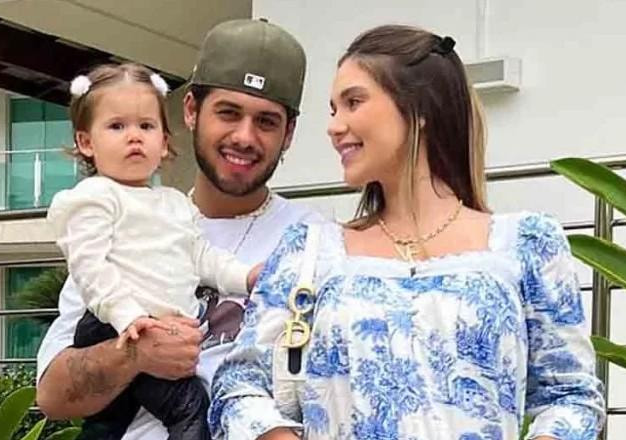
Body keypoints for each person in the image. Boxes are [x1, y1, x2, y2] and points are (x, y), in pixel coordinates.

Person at [210, 24, 605, 440]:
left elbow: (572, 396)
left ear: (419, 109)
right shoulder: (308, 250)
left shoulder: (526, 245)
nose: (334, 126)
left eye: (353, 102)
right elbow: (238, 386)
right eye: (333, 109)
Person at [36, 18, 323, 439]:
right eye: (228, 112)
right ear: (191, 110)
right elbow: (54, 397)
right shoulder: (119, 227)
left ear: (289, 133)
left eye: (266, 121)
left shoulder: (314, 241)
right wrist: (135, 355)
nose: (244, 137)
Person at [46, 62, 264, 440]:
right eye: (117, 126)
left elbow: (201, 257)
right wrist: (129, 319)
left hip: (153, 326)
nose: (134, 137)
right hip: (115, 325)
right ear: (86, 142)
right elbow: (90, 268)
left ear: (164, 142)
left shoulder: (173, 203)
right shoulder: (94, 198)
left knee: (108, 424)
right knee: (190, 408)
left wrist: (244, 278)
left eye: (146, 126)